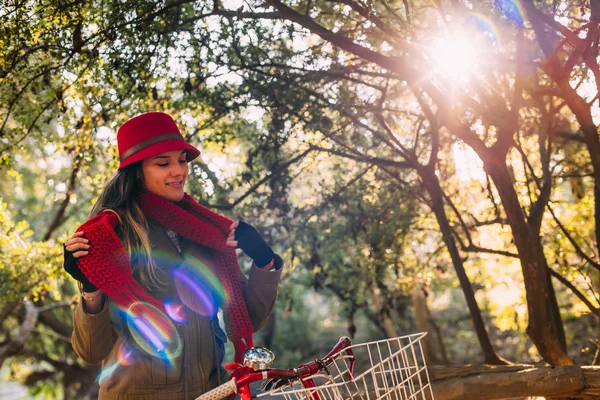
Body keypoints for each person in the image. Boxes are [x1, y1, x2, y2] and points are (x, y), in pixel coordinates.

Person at [63, 112, 283, 400]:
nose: (179, 171)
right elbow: (91, 351)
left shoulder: (205, 232)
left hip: (210, 393)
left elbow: (249, 319)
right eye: (163, 163)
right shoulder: (111, 236)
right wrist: (91, 288)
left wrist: (264, 260)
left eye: (182, 159)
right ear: (137, 171)